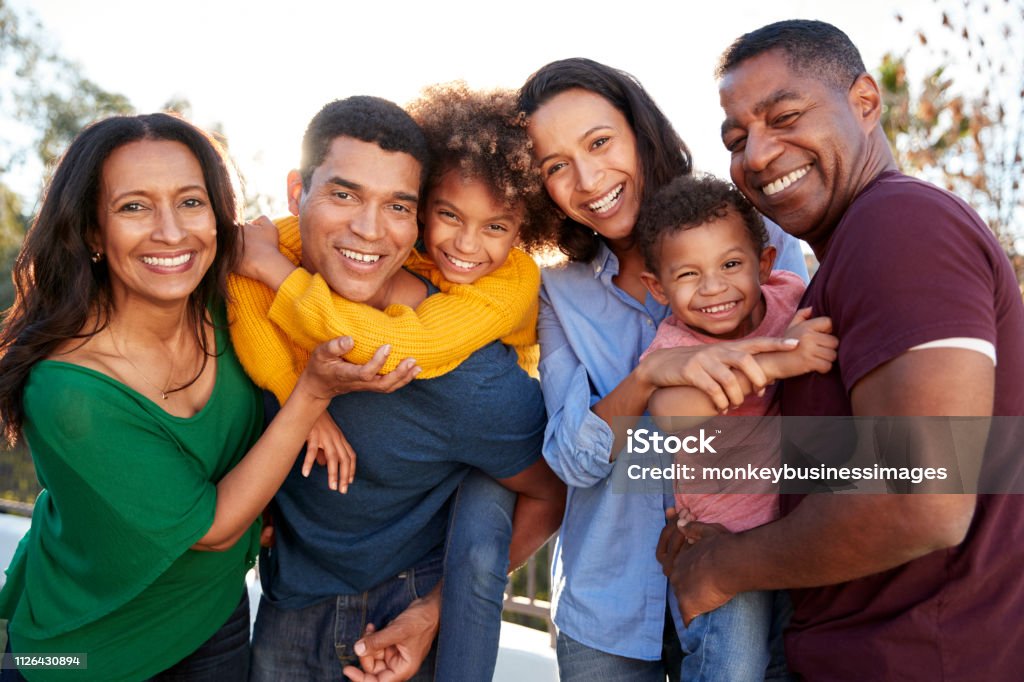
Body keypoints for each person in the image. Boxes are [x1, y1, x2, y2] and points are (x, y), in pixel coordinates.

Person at [662, 19, 1024, 680]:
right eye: (737, 139)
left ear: (865, 100)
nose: (759, 155)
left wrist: (720, 568)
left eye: (786, 116)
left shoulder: (900, 223)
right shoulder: (845, 261)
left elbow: (923, 496)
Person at [0, 113, 363, 681]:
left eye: (191, 202)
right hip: (83, 651)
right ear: (93, 231)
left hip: (211, 618)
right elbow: (214, 530)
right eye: (134, 207)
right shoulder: (70, 391)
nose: (171, 232)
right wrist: (311, 396)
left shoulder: (229, 305)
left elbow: (344, 243)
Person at [229, 83, 562, 681]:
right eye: (344, 194)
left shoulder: (472, 367)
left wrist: (434, 611)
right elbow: (241, 277)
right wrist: (301, 402)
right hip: (285, 599)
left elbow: (551, 491)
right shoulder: (257, 276)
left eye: (395, 206)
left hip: (400, 608)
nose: (369, 228)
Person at [518, 58, 808, 680]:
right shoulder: (558, 294)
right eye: (556, 166)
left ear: (639, 131)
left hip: (748, 573)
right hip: (610, 608)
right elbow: (572, 458)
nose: (588, 178)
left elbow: (806, 392)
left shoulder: (762, 238)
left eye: (599, 143)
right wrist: (653, 374)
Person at [634, 173, 836, 680]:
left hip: (794, 536)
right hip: (719, 547)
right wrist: (771, 364)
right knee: (733, 670)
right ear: (658, 287)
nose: (713, 288)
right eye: (688, 275)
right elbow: (670, 415)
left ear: (765, 264)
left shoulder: (791, 297)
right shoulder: (676, 343)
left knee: (791, 666)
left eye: (730, 265)